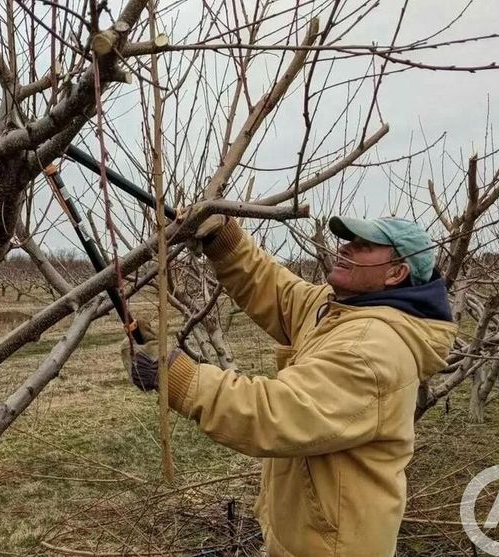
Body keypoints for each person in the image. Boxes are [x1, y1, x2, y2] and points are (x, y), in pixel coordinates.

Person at [122, 214, 457, 556]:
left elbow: (274, 413)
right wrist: (224, 239)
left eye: (363, 247)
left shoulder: (373, 350)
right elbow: (278, 291)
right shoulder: (341, 310)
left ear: (395, 274)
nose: (345, 249)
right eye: (349, 241)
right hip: (309, 537)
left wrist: (176, 376)